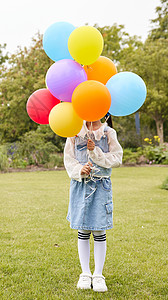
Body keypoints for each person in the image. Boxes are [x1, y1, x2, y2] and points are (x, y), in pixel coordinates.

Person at [63, 114, 123, 292]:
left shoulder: (107, 133)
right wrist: (80, 169)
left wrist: (95, 151)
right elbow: (69, 159)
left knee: (98, 230)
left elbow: (117, 158)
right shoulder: (74, 132)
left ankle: (98, 275)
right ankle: (85, 273)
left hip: (100, 187)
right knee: (83, 229)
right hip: (81, 186)